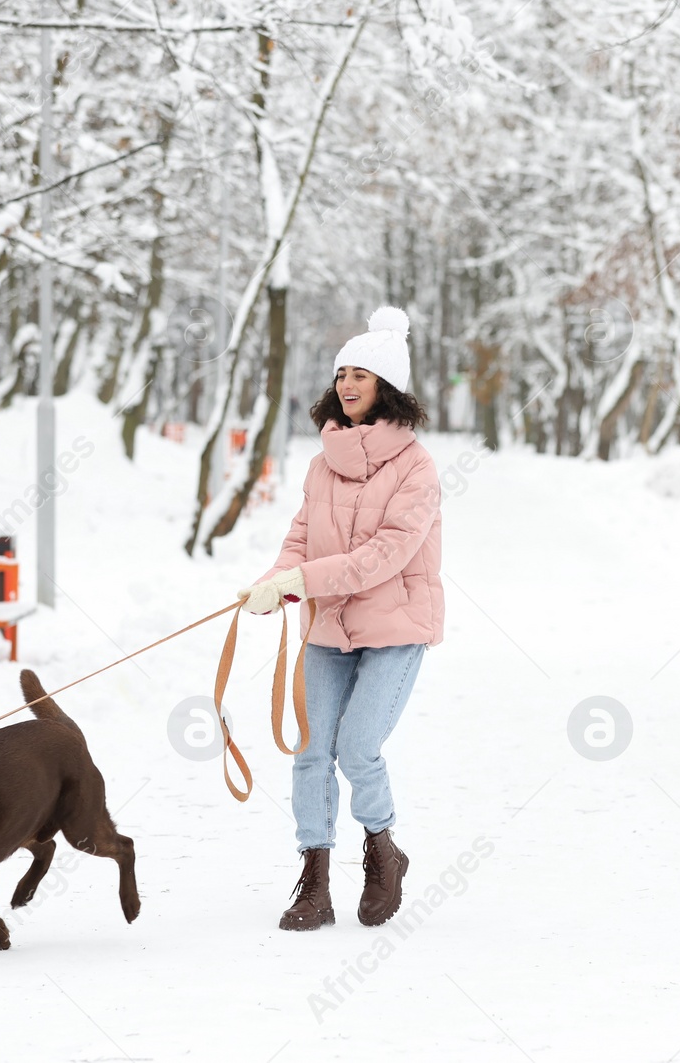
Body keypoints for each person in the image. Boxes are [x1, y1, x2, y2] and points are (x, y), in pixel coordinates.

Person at [238, 306, 444, 931]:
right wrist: (276, 581)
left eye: (362, 373)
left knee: (357, 749)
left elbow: (383, 557)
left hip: (396, 628)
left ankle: (383, 852)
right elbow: (301, 537)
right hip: (327, 628)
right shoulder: (320, 463)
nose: (349, 384)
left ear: (388, 387)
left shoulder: (416, 468)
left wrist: (305, 581)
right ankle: (315, 879)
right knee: (309, 751)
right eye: (342, 373)